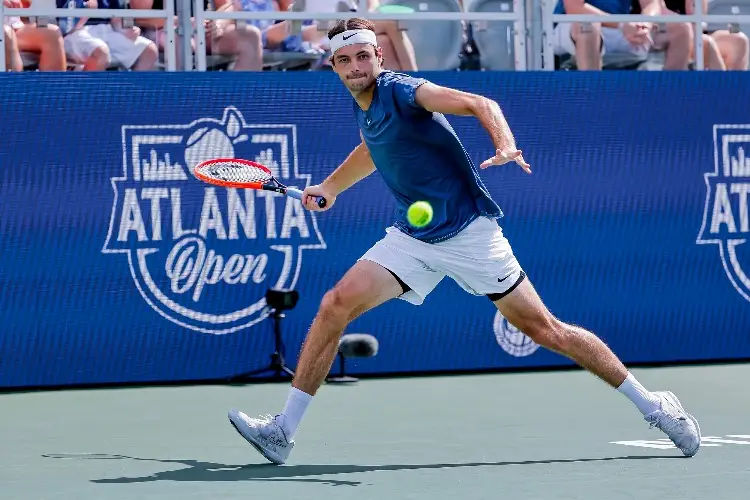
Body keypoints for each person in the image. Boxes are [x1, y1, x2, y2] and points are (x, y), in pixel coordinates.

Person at [227, 17, 702, 465]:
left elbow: (481, 104)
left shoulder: (404, 90)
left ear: (379, 57)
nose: (356, 67)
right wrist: (330, 187)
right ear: (333, 66)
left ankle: (655, 404)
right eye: (346, 60)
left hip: (470, 235)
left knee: (546, 330)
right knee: (335, 304)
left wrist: (504, 144)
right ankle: (283, 430)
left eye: (363, 57)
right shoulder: (364, 104)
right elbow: (374, 147)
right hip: (414, 238)